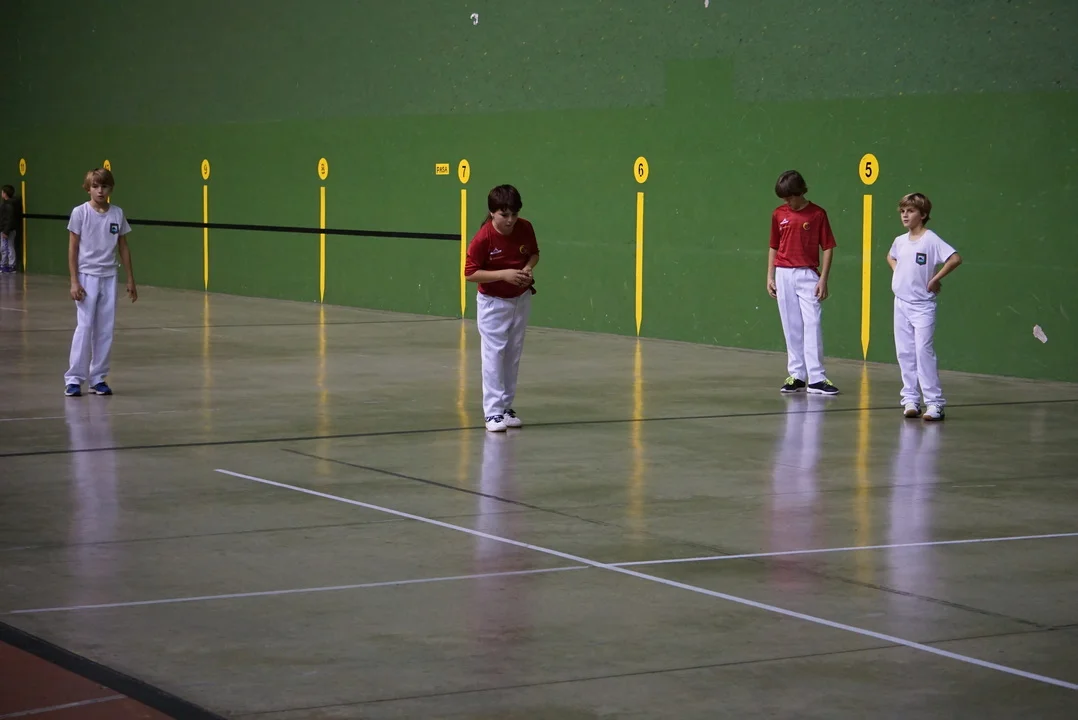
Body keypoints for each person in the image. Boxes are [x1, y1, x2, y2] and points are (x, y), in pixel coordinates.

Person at [464, 184, 540, 432]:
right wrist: (503, 274)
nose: (510, 220)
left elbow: (534, 254)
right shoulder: (483, 238)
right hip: (493, 304)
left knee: (512, 354)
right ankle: (493, 413)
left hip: (520, 299)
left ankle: (506, 408)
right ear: (492, 212)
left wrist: (527, 268)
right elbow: (470, 273)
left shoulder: (525, 227)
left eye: (514, 214)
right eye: (504, 215)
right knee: (494, 355)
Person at [887, 192, 962, 421]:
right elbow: (890, 257)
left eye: (910, 211)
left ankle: (935, 403)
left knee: (923, 352)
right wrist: (898, 272)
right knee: (905, 353)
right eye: (902, 211)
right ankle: (910, 400)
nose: (905, 215)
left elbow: (955, 258)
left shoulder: (930, 240)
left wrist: (935, 279)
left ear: (923, 214)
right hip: (900, 304)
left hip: (922, 307)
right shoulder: (900, 241)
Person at [64, 168, 138, 397]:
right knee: (85, 327)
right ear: (88, 189)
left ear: (110, 189)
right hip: (86, 276)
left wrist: (130, 278)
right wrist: (74, 281)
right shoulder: (80, 213)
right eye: (95, 186)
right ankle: (74, 379)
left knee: (105, 329)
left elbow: (123, 246)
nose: (100, 191)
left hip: (109, 277)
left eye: (104, 186)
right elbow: (73, 248)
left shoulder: (117, 213)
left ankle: (98, 378)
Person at [767, 170, 839, 395]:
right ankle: (797, 376)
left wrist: (823, 279)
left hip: (808, 275)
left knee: (812, 324)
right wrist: (770, 276)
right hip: (783, 274)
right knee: (791, 326)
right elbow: (773, 246)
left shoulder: (817, 214)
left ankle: (817, 378)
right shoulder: (778, 214)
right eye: (784, 198)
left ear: (800, 192)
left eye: (789, 197)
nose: (786, 202)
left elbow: (828, 247)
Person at [0, 184, 19, 273]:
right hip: (6, 230)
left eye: (2, 192)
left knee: (7, 247)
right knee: (5, 247)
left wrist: (5, 231)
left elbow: (9, 219)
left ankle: (10, 265)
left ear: (5, 194)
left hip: (7, 231)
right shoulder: (7, 204)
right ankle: (6, 264)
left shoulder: (8, 205)